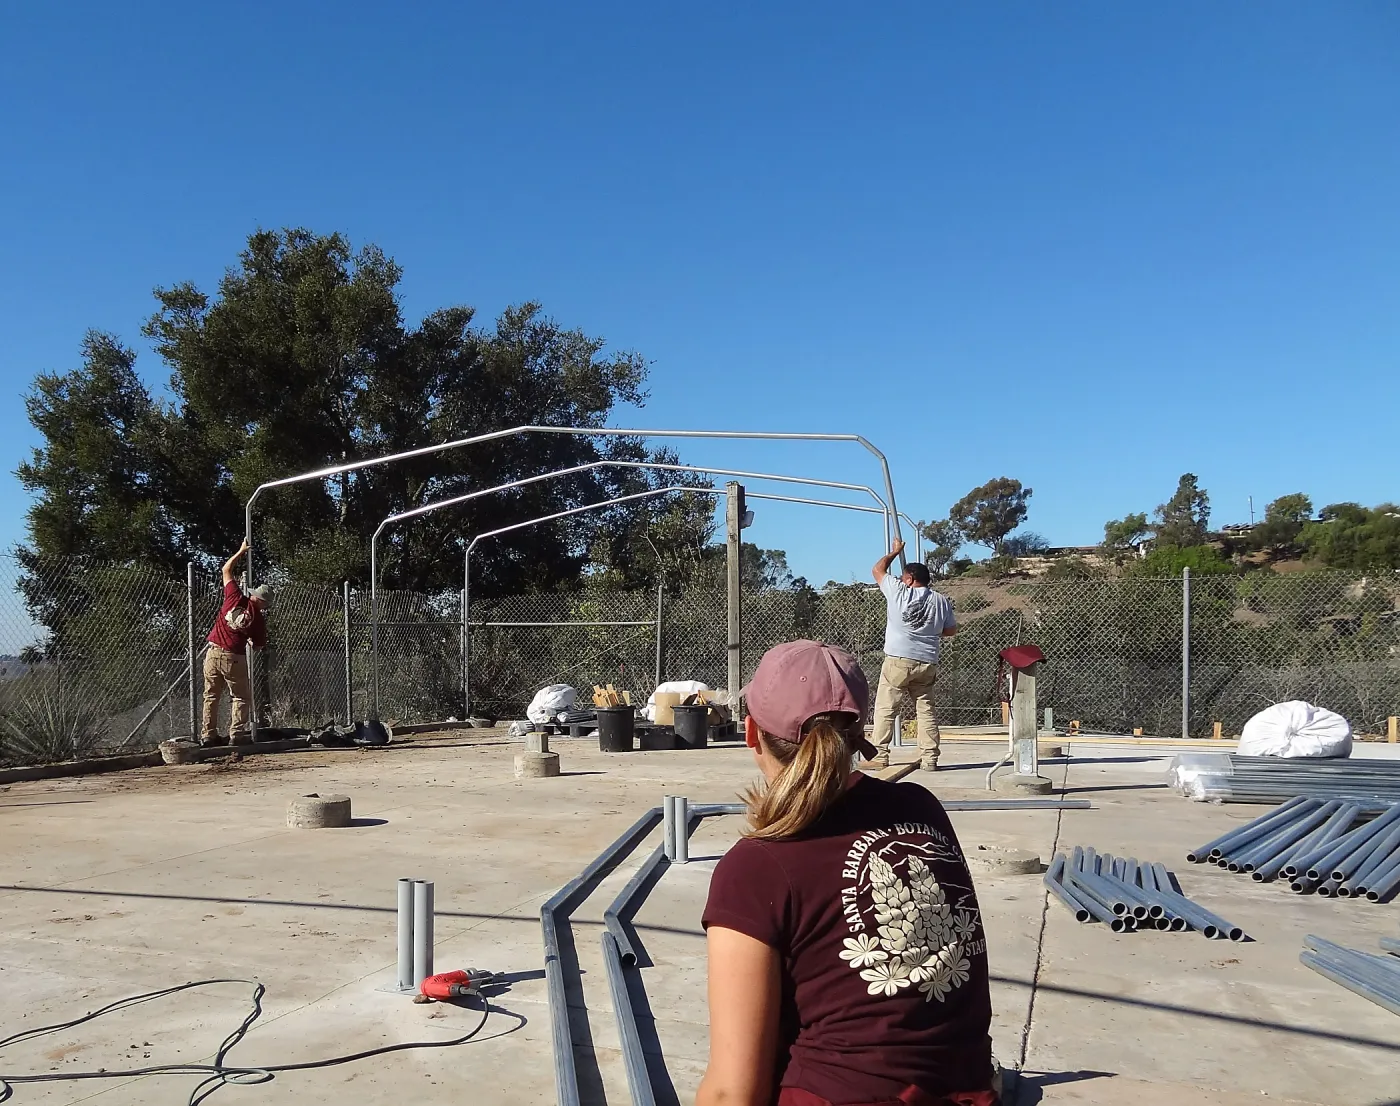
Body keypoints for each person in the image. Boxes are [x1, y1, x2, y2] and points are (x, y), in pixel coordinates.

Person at [697, 639, 997, 1106]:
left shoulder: (757, 867)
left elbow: (731, 1093)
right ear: (857, 734)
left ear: (751, 733)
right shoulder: (921, 808)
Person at [868, 538, 956, 772]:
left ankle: (880, 755)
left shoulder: (898, 592)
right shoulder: (941, 600)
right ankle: (929, 758)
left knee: (887, 707)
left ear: (909, 579)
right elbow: (950, 630)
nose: (899, 580)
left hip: (898, 659)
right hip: (927, 661)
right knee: (925, 709)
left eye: (902, 577)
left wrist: (896, 551)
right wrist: (929, 630)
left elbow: (878, 570)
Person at [202, 541, 270, 747]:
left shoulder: (233, 596)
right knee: (240, 696)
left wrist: (240, 552)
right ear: (264, 603)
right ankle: (236, 735)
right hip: (235, 657)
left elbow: (226, 569)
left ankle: (208, 735)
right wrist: (248, 638)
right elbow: (258, 645)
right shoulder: (258, 619)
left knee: (211, 695)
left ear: (253, 594)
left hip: (213, 652)